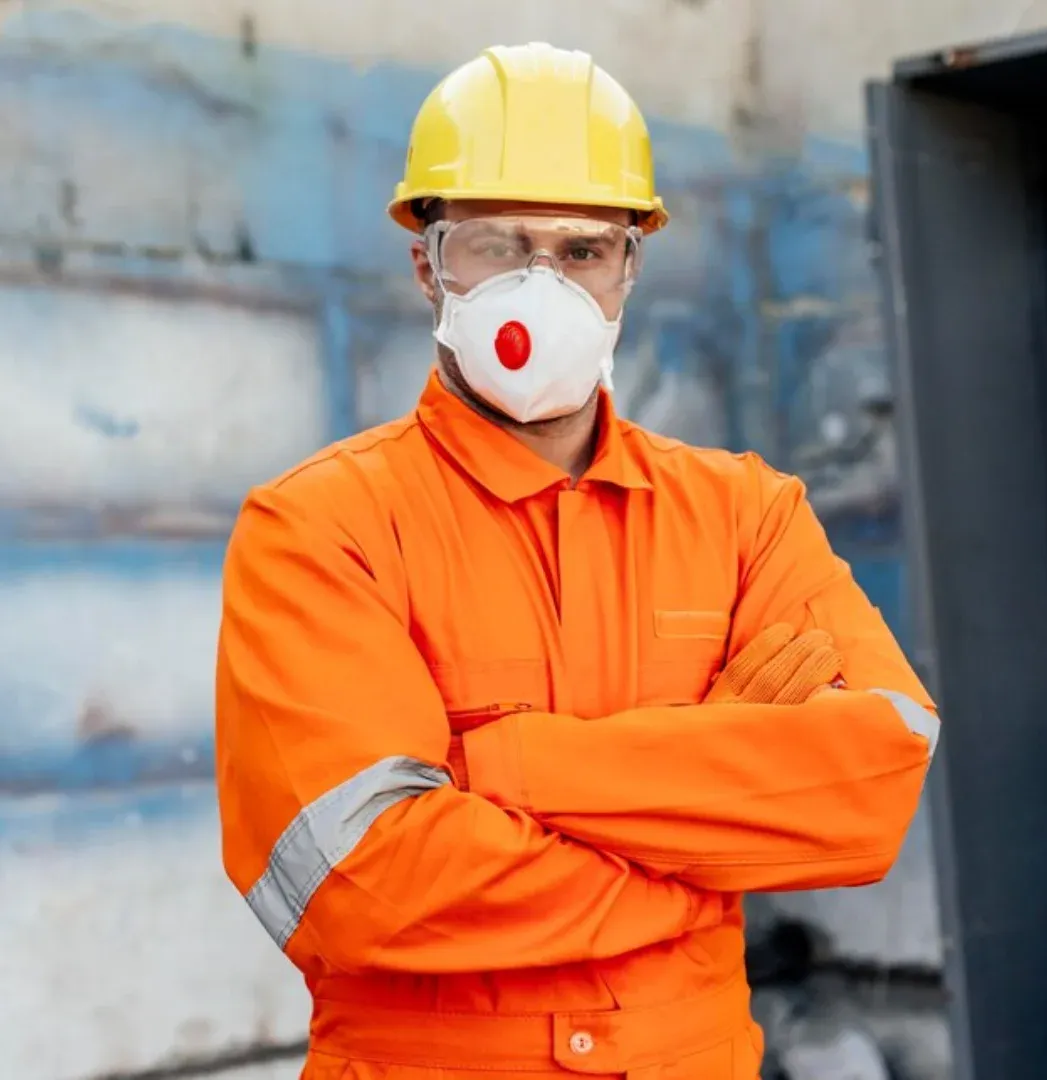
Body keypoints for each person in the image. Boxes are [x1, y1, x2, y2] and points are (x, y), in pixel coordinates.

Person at [215, 42, 938, 1080]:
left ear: (628, 268)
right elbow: (365, 886)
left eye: (583, 250)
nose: (540, 287)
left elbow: (868, 789)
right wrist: (702, 833)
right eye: (497, 246)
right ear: (428, 265)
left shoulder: (746, 516)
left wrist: (503, 767)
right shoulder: (320, 530)